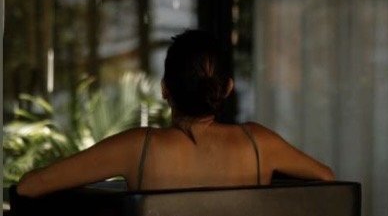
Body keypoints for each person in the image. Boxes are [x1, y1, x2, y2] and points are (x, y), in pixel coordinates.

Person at [17, 30, 335, 197]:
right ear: (227, 88)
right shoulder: (259, 144)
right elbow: (327, 178)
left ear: (165, 89)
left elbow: (30, 187)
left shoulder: (137, 148)